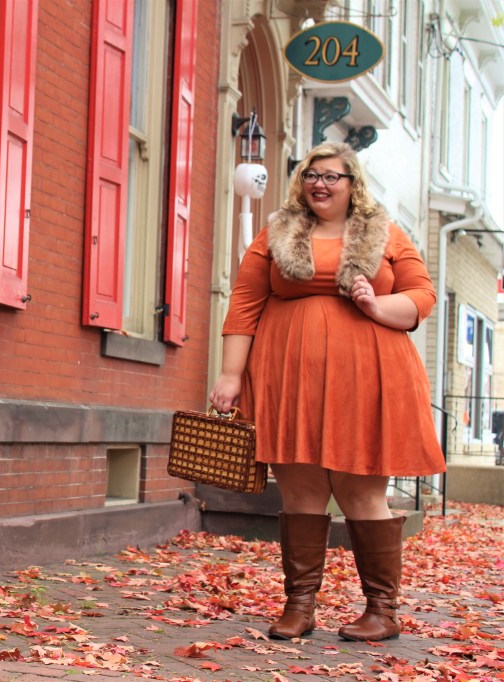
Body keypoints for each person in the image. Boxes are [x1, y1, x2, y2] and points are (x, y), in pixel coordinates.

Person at [208, 142, 446, 642]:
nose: (320, 184)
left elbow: (422, 295)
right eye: (311, 175)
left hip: (369, 379)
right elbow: (245, 302)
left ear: (352, 184)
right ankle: (300, 606)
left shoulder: (385, 232)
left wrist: (377, 306)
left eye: (332, 176)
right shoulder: (276, 232)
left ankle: (382, 611)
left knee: (361, 492)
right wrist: (230, 375)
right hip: (289, 379)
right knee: (301, 491)